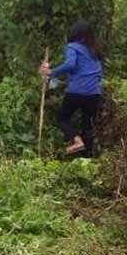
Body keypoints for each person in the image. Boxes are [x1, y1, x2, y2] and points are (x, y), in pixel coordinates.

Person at [40, 21, 103, 157]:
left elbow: (70, 65)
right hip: (94, 93)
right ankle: (88, 159)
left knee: (62, 118)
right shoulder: (94, 51)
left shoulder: (73, 47)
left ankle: (77, 140)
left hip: (77, 91)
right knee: (87, 125)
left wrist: (51, 72)